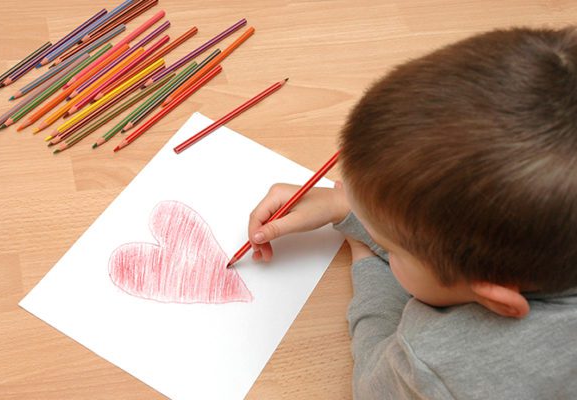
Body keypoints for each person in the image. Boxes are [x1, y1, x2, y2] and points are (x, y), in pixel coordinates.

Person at [247, 27, 577, 399]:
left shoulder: (443, 365)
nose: (377, 238)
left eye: (395, 248)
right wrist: (347, 207)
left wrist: (366, 258)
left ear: (495, 300)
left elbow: (373, 383)